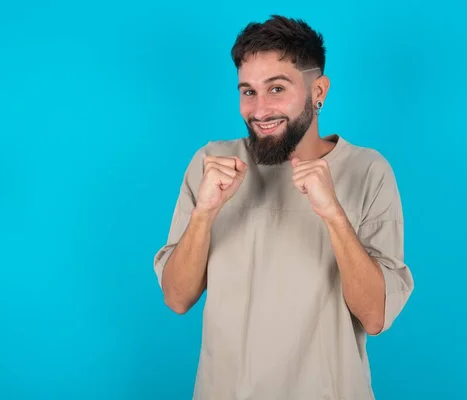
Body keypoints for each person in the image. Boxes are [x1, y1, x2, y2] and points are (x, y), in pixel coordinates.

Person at [153, 15, 414, 400]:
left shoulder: (368, 171)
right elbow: (177, 298)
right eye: (248, 91)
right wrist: (205, 213)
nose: (259, 110)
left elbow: (375, 316)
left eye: (277, 88)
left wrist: (333, 215)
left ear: (318, 91)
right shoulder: (212, 164)